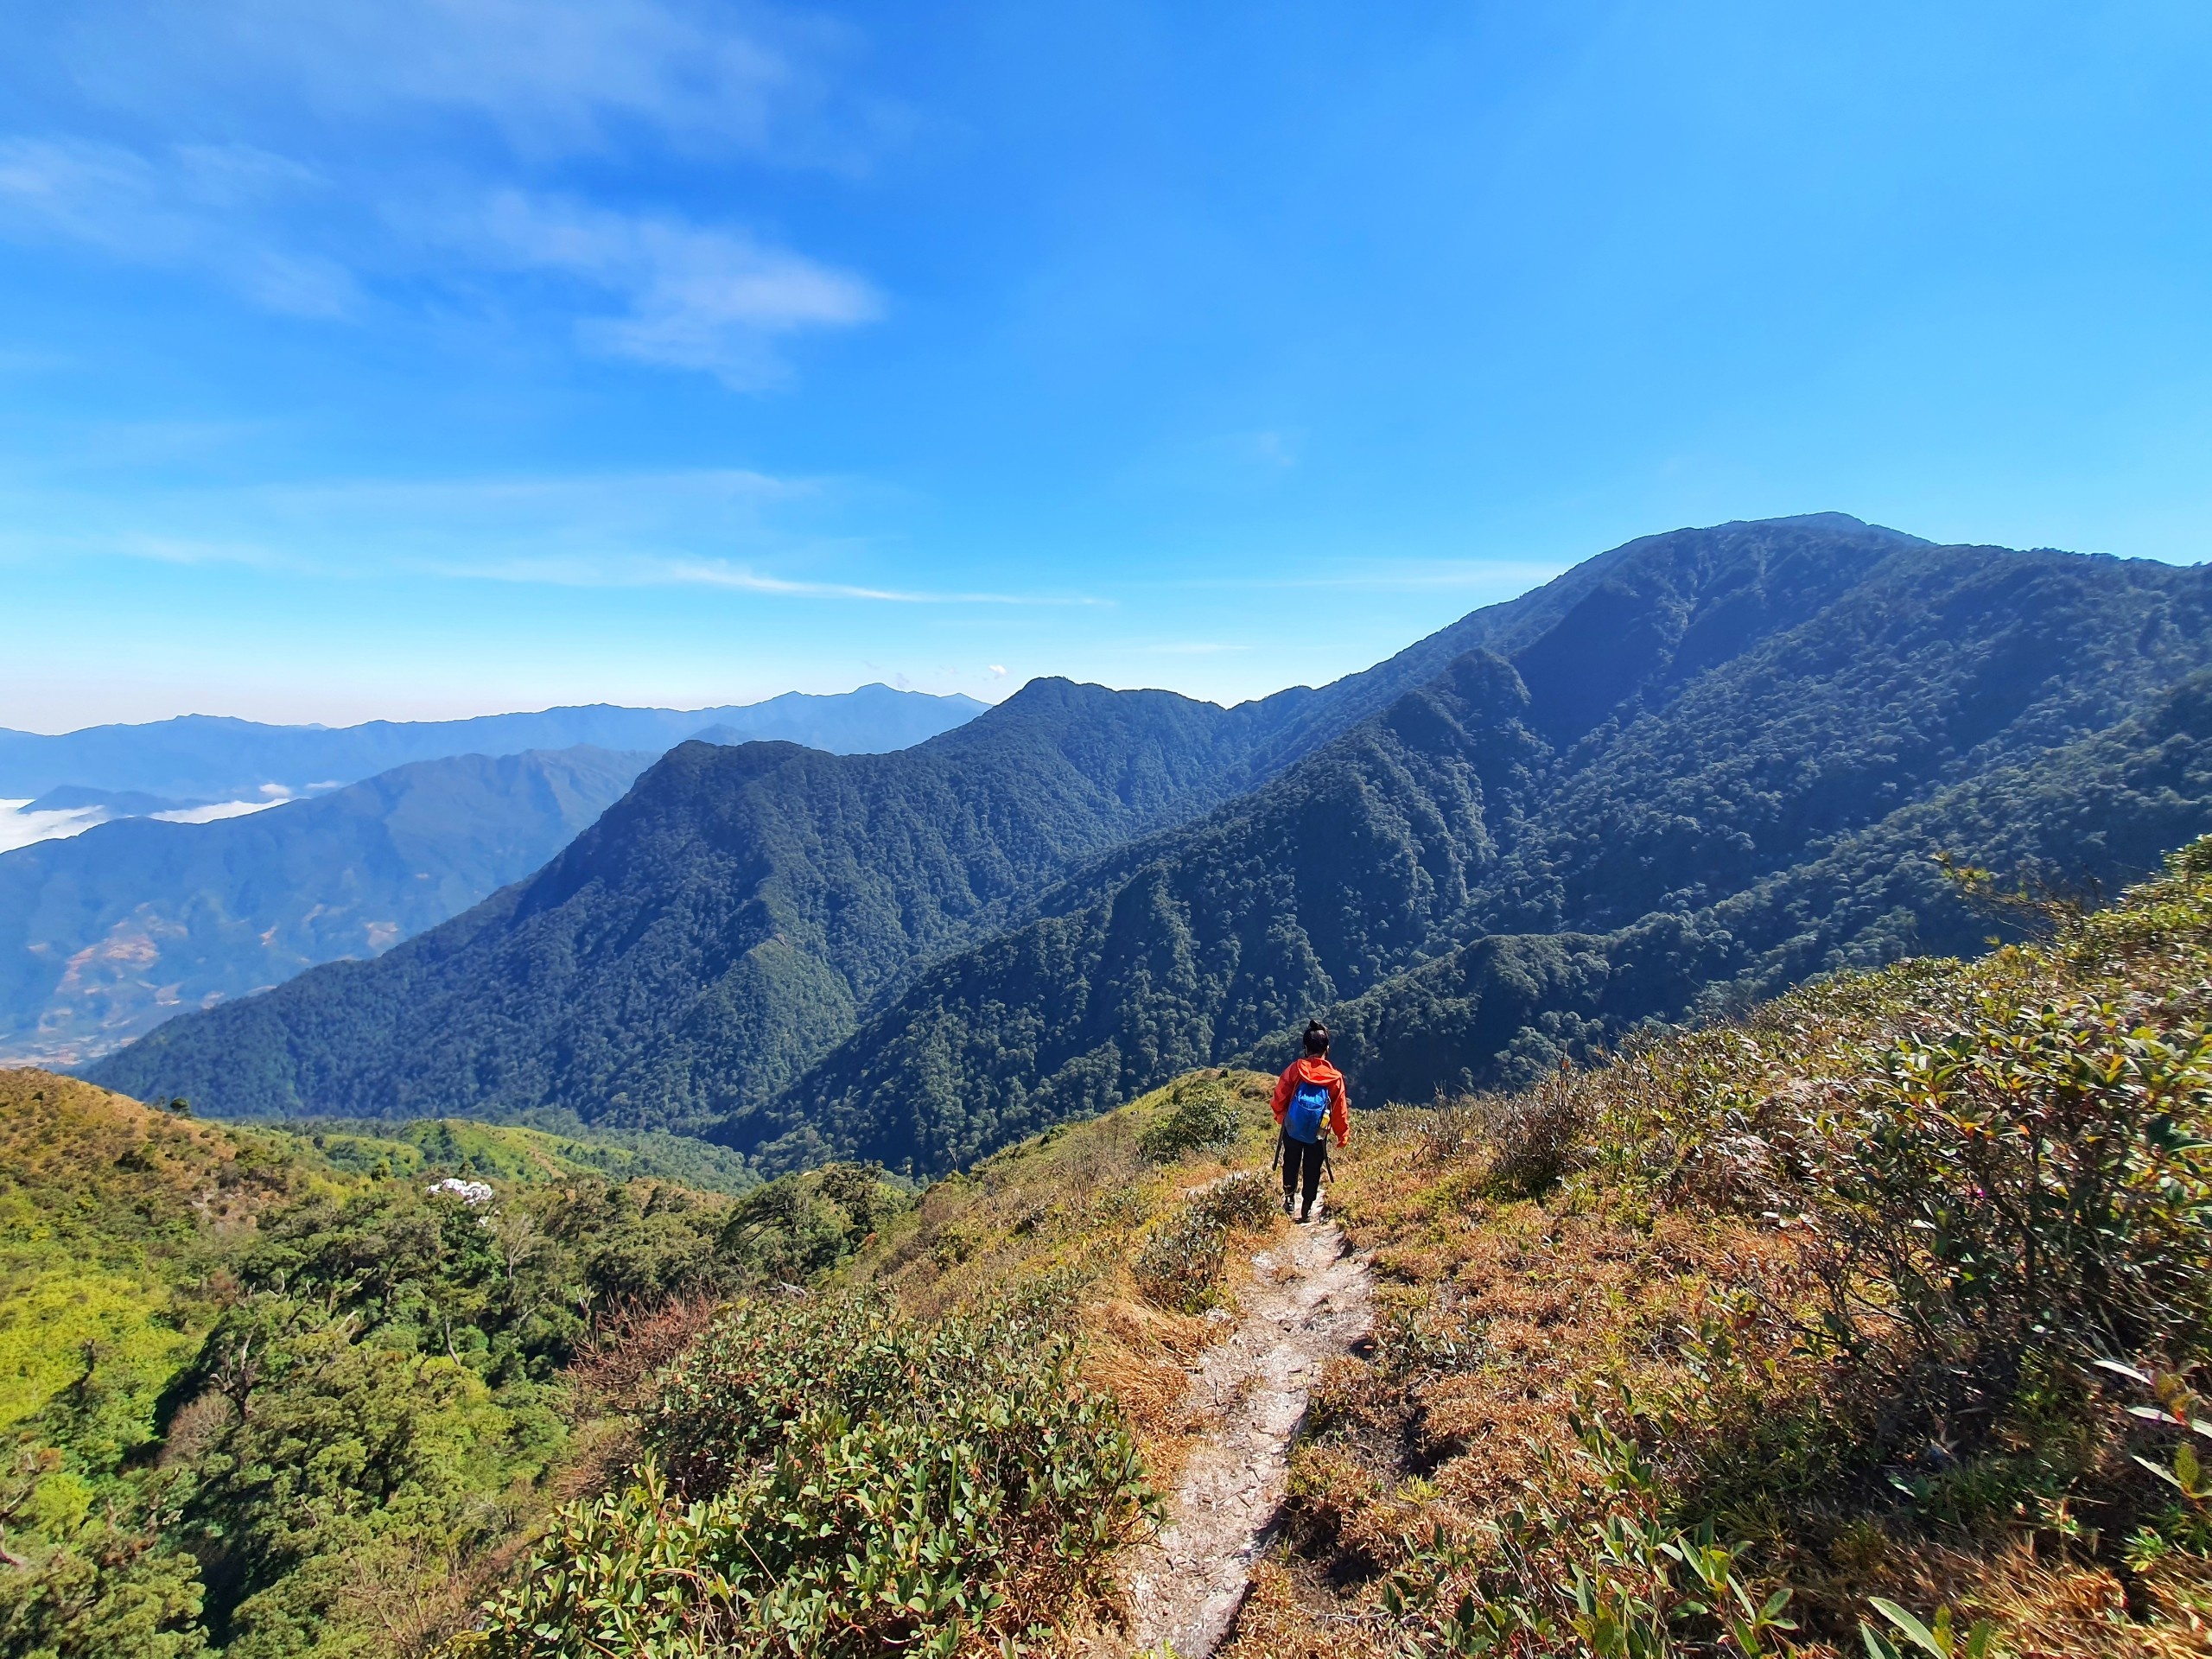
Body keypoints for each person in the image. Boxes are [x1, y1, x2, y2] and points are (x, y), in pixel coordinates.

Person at [1271, 1020, 1350, 1222]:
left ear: (1305, 1048)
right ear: (1327, 1049)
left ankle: (1289, 1199)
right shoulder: (1334, 1077)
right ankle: (1306, 1206)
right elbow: (1339, 1110)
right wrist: (1342, 1134)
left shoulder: (1296, 1069)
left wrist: (1280, 1115)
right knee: (1313, 1166)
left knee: (1291, 1161)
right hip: (1319, 1132)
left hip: (1293, 1126)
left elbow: (1281, 1094)